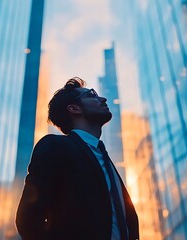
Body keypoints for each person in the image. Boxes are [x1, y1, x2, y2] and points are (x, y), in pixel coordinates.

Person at [16, 77, 139, 240]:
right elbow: (28, 219)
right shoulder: (55, 146)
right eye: (92, 95)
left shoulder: (104, 158)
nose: (102, 98)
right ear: (74, 108)